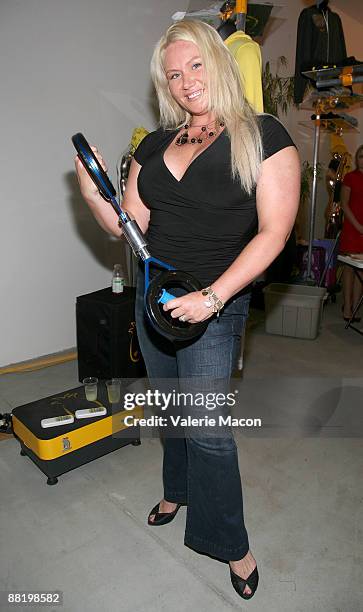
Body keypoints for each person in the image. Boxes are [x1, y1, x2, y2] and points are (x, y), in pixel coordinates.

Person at [75, 19, 300, 601]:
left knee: (208, 431)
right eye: (173, 74)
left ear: (218, 64)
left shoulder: (264, 135)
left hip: (217, 304)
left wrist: (215, 297)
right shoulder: (153, 144)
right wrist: (92, 195)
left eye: (194, 65)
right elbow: (130, 229)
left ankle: (233, 544)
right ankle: (176, 492)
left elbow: (274, 233)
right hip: (158, 302)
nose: (185, 81)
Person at [339, 145, 363, 322]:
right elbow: (344, 204)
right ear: (357, 159)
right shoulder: (350, 177)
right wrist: (358, 227)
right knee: (349, 268)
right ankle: (347, 307)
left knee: (361, 270)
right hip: (352, 229)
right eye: (361, 156)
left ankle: (355, 307)